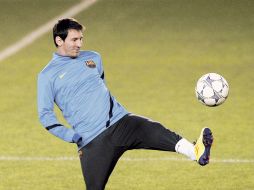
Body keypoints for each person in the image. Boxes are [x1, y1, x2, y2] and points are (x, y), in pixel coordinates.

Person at [37, 18, 213, 190]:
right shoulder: (47, 76)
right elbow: (45, 115)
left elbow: (100, 86)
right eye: (74, 39)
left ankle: (196, 152)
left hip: (121, 123)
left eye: (81, 39)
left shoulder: (93, 58)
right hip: (92, 141)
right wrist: (70, 135)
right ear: (59, 40)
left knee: (155, 129)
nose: (79, 44)